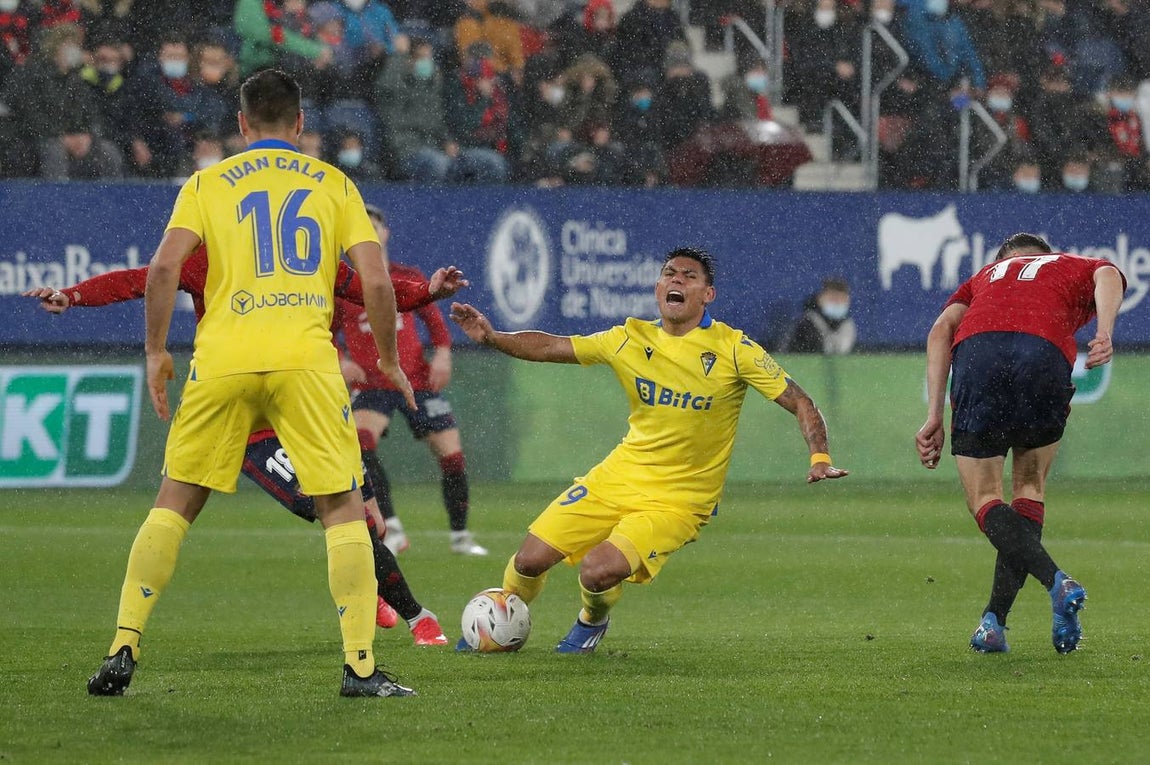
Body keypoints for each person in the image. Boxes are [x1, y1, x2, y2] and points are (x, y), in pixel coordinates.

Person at [84, 68, 417, 698]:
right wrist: (391, 361)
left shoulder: (207, 183)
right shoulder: (334, 183)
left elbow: (162, 270)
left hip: (224, 357)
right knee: (342, 505)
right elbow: (375, 283)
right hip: (305, 360)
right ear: (300, 125)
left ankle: (123, 647)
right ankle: (360, 667)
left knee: (175, 500)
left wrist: (156, 351)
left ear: (241, 125)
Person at [24, 245, 468, 647]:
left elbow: (370, 288)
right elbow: (141, 278)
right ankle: (417, 618)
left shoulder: (307, 260)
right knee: (325, 507)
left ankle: (369, 592)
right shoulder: (213, 256)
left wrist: (425, 291)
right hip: (250, 421)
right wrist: (74, 294)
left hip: (307, 406)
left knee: (370, 523)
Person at [449, 246, 849, 653]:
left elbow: (801, 401)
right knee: (528, 561)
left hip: (678, 501)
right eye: (669, 273)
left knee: (597, 572)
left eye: (689, 276)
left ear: (708, 294)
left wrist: (820, 457)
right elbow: (554, 347)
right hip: (618, 477)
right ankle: (497, 619)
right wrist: (494, 338)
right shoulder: (629, 338)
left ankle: (592, 618)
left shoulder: (733, 349)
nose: (676, 280)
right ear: (658, 287)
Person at [915, 233, 1125, 654]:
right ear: (1043, 256)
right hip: (1043, 352)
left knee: (984, 496)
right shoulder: (1066, 263)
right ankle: (995, 620)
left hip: (980, 351)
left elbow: (941, 330)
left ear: (1002, 260)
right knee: (1029, 486)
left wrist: (935, 414)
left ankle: (1053, 584)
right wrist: (1104, 331)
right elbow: (1108, 272)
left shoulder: (983, 276)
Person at [337, 205, 487, 556]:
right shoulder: (344, 284)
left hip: (415, 379)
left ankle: (461, 537)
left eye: (374, 225)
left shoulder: (405, 275)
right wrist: (340, 358)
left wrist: (444, 353)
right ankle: (392, 528)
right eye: (362, 227)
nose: (369, 232)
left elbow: (435, 322)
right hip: (371, 384)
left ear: (385, 233)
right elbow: (326, 331)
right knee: (360, 444)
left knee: (451, 456)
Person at [783, 277, 856, 354]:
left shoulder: (848, 325)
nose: (837, 303)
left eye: (841, 299)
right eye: (832, 298)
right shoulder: (806, 324)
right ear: (820, 299)